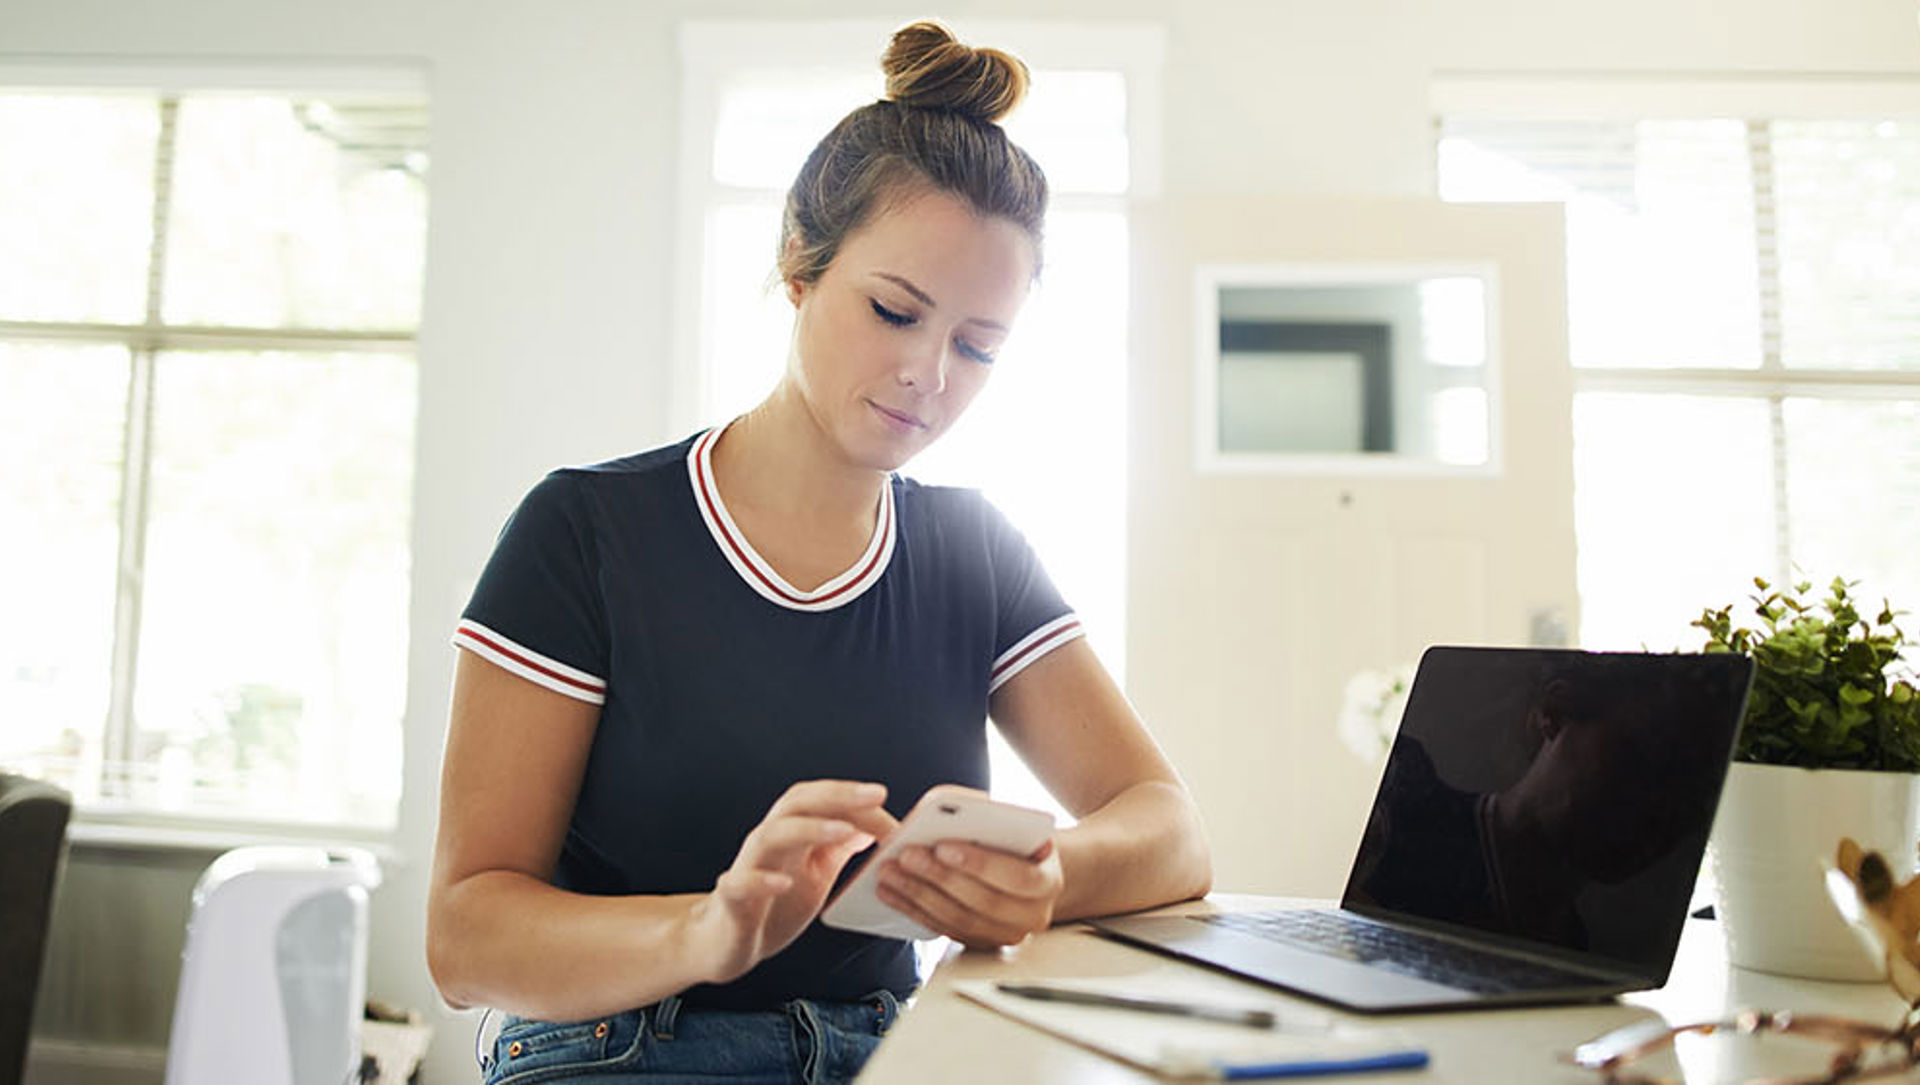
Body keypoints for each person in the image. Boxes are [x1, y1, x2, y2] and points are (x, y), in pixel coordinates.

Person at [426, 20, 1213, 1085]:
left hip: (893, 1046)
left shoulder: (971, 550)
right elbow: (465, 935)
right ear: (799, 270)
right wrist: (707, 930)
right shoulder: (588, 533)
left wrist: (1043, 876)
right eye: (895, 311)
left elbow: (1170, 832)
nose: (930, 374)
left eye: (979, 346)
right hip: (623, 1047)